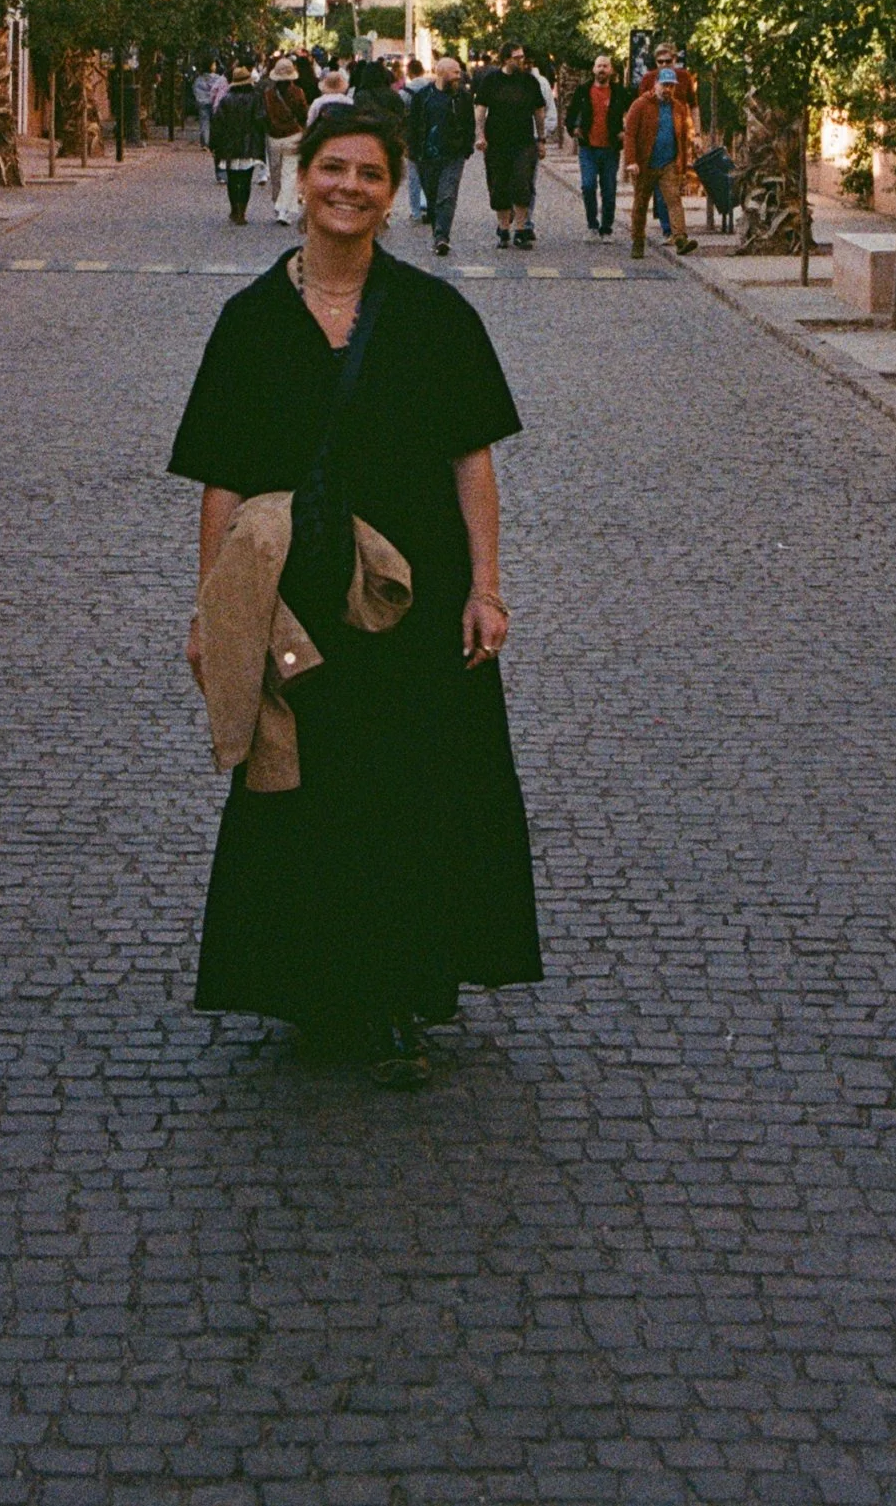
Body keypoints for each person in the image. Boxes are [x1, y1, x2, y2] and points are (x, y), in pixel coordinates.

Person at [174, 103, 541, 1087]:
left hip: (415, 594)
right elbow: (220, 477)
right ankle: (313, 983)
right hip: (291, 599)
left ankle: (391, 993)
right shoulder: (251, 320)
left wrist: (487, 589)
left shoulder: (432, 315)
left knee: (407, 791)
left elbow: (471, 459)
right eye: (333, 168)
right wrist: (213, 614)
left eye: (370, 173)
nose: (349, 187)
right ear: (302, 180)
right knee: (305, 785)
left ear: (392, 191)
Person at [472, 42, 546, 251]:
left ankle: (521, 229)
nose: (521, 60)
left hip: (523, 141)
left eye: (522, 56)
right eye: (517, 57)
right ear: (506, 59)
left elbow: (539, 111)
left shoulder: (529, 82)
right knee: (499, 184)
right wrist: (480, 135)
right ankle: (503, 228)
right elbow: (480, 109)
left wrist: (541, 139)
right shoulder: (491, 81)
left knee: (522, 183)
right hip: (497, 142)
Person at [622, 58, 697, 259]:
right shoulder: (640, 105)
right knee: (641, 203)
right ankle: (638, 240)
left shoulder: (678, 107)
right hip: (645, 163)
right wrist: (631, 161)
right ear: (656, 84)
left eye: (671, 86)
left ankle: (680, 238)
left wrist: (682, 165)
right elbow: (630, 134)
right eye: (664, 85)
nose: (667, 89)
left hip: (668, 162)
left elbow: (681, 137)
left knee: (673, 200)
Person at [410, 56, 476, 255]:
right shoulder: (423, 96)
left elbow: (469, 123)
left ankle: (442, 237)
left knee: (447, 195)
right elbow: (413, 124)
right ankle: (437, 232)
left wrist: (467, 146)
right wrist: (412, 151)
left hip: (453, 155)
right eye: (455, 72)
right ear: (442, 73)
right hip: (426, 156)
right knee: (432, 197)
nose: (459, 76)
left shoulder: (462, 97)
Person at [563, 54, 631, 239]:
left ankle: (606, 228)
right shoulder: (583, 91)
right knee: (588, 185)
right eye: (599, 66)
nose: (602, 69)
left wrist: (625, 131)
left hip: (610, 148)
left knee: (609, 189)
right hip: (588, 148)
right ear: (593, 69)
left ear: (611, 70)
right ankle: (592, 225)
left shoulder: (619, 92)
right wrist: (574, 129)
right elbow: (571, 114)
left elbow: (633, 113)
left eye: (605, 66)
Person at [210, 67, 266, 223]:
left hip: (229, 144)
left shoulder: (226, 100)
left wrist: (213, 144)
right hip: (250, 144)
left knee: (233, 180)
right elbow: (261, 121)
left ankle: (235, 209)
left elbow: (217, 123)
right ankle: (242, 211)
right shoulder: (256, 99)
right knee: (246, 180)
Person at [261, 57, 311, 223]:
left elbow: (264, 116)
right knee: (289, 174)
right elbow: (303, 114)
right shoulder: (298, 92)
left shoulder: (268, 94)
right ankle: (284, 210)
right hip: (293, 134)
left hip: (274, 137)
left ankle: (279, 205)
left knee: (275, 173)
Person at [397, 58, 430, 223]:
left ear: (409, 72)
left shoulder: (405, 92)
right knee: (431, 174)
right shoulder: (433, 88)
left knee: (414, 176)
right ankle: (430, 206)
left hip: (411, 138)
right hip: (431, 135)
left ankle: (415, 211)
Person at [191, 61, 225, 148]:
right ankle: (214, 141)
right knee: (215, 122)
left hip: (203, 103)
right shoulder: (218, 78)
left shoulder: (199, 79)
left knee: (204, 122)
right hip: (215, 103)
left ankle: (205, 142)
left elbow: (195, 90)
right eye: (214, 64)